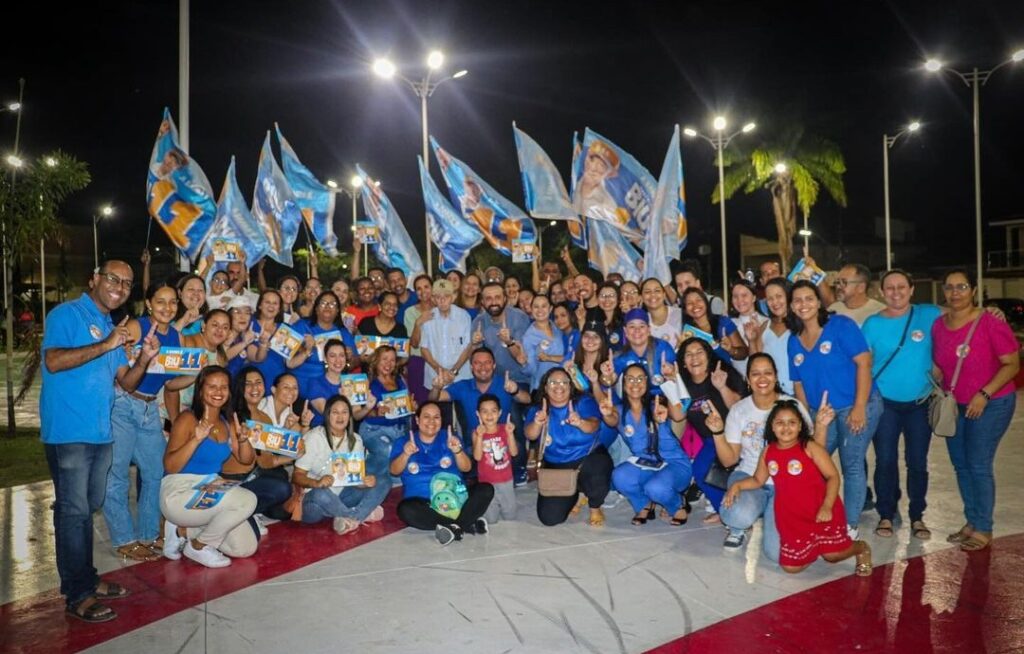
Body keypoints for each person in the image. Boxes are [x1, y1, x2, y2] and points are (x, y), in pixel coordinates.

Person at [41, 261, 159, 622]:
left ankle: (87, 580)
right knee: (74, 512)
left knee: (86, 507)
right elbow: (54, 360)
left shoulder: (113, 327)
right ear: (94, 278)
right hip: (68, 433)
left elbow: (126, 381)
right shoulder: (67, 314)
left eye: (126, 283)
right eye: (113, 278)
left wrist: (144, 358)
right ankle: (78, 594)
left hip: (100, 434)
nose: (120, 287)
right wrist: (105, 343)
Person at [725, 401, 872, 577]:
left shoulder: (809, 447)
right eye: (780, 422)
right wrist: (737, 485)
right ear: (771, 426)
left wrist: (827, 505)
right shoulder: (768, 452)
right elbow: (758, 480)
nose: (786, 427)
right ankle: (814, 546)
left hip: (821, 509)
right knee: (791, 567)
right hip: (792, 517)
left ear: (800, 425)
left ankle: (861, 548)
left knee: (832, 556)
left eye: (792, 422)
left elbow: (833, 476)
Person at [104, 282, 194, 563]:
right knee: (116, 475)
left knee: (155, 472)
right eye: (161, 301)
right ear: (149, 303)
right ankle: (123, 539)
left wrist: (195, 373)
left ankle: (147, 532)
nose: (167, 308)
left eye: (172, 302)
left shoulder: (177, 338)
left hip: (149, 407)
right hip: (122, 405)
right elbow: (115, 363)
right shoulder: (136, 327)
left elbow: (170, 382)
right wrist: (132, 353)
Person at [933, 268, 1019, 552]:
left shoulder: (990, 322)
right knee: (961, 465)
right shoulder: (938, 325)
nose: (955, 293)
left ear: (973, 290)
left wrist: (984, 394)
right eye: (949, 287)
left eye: (962, 286)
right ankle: (971, 521)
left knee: (979, 465)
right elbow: (939, 366)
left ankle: (983, 526)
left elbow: (1012, 364)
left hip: (990, 404)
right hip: (955, 406)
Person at [788, 279, 883, 537]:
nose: (803, 304)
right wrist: (809, 419)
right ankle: (815, 512)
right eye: (797, 300)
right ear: (791, 306)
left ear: (819, 302)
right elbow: (798, 384)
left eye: (809, 298)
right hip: (824, 413)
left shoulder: (840, 325)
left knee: (851, 462)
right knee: (814, 461)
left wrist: (860, 407)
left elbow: (864, 364)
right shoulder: (794, 340)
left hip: (858, 403)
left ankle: (849, 525)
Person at [861, 270, 942, 540]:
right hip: (885, 404)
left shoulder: (929, 314)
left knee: (917, 461)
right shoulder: (872, 324)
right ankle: (886, 513)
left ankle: (917, 516)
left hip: (920, 403)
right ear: (881, 292)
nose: (896, 292)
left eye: (901, 287)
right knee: (885, 460)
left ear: (911, 289)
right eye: (890, 288)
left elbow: (961, 317)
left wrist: (989, 312)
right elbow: (863, 363)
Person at [714, 353, 819, 555]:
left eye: (768, 373)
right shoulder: (739, 410)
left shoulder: (792, 406)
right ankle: (740, 526)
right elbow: (730, 459)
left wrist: (821, 426)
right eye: (755, 374)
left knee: (777, 552)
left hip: (786, 482)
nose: (762, 379)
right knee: (736, 514)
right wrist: (718, 432)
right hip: (749, 476)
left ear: (776, 376)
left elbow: (812, 451)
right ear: (747, 379)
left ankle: (771, 513)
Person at [160, 367, 260, 568]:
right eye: (212, 386)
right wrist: (195, 440)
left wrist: (243, 441)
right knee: (248, 499)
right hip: (178, 492)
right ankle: (199, 546)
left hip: (209, 489)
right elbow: (170, 466)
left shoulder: (227, 422)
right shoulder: (187, 419)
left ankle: (182, 531)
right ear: (200, 390)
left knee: (245, 547)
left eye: (224, 387)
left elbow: (246, 460)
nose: (218, 391)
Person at [391, 402, 494, 545]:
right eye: (426, 417)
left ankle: (454, 527)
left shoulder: (451, 437)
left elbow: (466, 468)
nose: (431, 422)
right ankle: (465, 523)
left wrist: (457, 451)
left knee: (486, 489)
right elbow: (394, 470)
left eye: (436, 417)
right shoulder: (403, 442)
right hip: (425, 503)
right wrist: (405, 454)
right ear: (417, 420)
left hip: (456, 498)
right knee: (405, 510)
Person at [602, 365, 691, 526]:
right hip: (645, 464)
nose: (635, 383)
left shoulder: (658, 403)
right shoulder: (619, 410)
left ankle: (678, 504)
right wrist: (607, 414)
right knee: (619, 477)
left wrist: (671, 381)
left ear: (647, 383)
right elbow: (612, 419)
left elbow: (679, 414)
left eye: (640, 378)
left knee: (655, 488)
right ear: (623, 383)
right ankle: (644, 504)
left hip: (675, 465)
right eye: (630, 378)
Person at [292, 395, 391, 534]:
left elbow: (354, 480)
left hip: (343, 496)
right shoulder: (314, 437)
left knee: (384, 481)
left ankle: (348, 518)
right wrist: (316, 483)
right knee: (321, 494)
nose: (340, 417)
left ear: (350, 416)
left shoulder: (355, 440)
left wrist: (364, 482)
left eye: (344, 412)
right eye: (335, 412)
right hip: (314, 502)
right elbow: (296, 476)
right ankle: (359, 515)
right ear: (327, 415)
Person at [525, 367, 611, 527]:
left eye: (564, 382)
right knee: (549, 518)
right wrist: (538, 423)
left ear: (570, 386)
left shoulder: (583, 402)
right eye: (553, 382)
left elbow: (594, 425)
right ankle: (576, 494)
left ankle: (595, 505)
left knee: (598, 467)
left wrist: (580, 422)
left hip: (586, 459)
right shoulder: (537, 409)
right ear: (545, 387)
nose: (559, 386)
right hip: (556, 465)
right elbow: (530, 435)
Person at [678, 337, 747, 523]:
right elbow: (677, 416)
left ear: (708, 356)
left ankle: (740, 514)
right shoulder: (682, 386)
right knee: (700, 472)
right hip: (711, 440)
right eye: (689, 354)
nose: (695, 358)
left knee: (735, 476)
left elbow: (741, 408)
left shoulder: (723, 374)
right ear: (683, 362)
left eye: (699, 352)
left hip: (737, 437)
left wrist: (722, 387)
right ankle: (725, 512)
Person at [223, 367, 294, 530]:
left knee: (283, 502)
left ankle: (254, 510)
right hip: (235, 479)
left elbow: (266, 461)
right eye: (248, 384)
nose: (255, 388)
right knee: (282, 488)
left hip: (255, 473)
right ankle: (244, 513)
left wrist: (293, 456)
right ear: (240, 388)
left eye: (258, 383)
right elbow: (254, 461)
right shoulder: (232, 415)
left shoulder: (264, 418)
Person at [288, 290, 358, 397]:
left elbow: (356, 362)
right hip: (300, 390)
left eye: (333, 304)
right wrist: (305, 350)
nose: (328, 306)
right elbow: (287, 362)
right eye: (323, 303)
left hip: (334, 392)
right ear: (316, 309)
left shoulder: (343, 333)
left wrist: (350, 358)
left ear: (338, 310)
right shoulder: (300, 326)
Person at [361, 345, 415, 480]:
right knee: (388, 450)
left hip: (399, 429)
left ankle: (386, 478)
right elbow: (359, 413)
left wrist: (413, 406)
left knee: (407, 453)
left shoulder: (400, 380)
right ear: (376, 361)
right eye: (384, 359)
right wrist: (375, 412)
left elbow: (408, 407)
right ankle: (366, 476)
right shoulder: (368, 382)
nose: (388, 364)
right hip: (373, 429)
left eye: (392, 360)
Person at [605, 309, 677, 397]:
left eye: (642, 326)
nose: (637, 330)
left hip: (664, 401)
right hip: (636, 404)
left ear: (649, 329)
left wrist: (671, 375)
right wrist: (606, 377)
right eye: (632, 326)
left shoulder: (663, 348)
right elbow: (609, 382)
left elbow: (676, 382)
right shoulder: (621, 356)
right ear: (625, 331)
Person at [306, 339, 376, 428]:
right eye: (332, 356)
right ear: (325, 359)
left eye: (341, 355)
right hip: (321, 432)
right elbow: (328, 414)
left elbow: (356, 415)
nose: (338, 360)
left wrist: (367, 408)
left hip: (345, 432)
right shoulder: (315, 383)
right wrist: (344, 400)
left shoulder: (352, 381)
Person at [472, 394, 519, 523]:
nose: (489, 415)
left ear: (500, 413)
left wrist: (510, 434)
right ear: (478, 414)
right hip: (487, 483)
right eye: (484, 411)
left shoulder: (505, 429)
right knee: (490, 519)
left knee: (510, 515)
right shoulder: (476, 432)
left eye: (493, 411)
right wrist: (480, 436)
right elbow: (477, 457)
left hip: (506, 480)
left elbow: (514, 453)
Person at [419, 279, 473, 390]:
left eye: (446, 296)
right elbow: (424, 349)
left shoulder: (463, 316)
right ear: (433, 299)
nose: (442, 300)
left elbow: (468, 347)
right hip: (436, 377)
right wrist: (440, 370)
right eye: (438, 297)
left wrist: (454, 371)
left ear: (453, 297)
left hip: (460, 376)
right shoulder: (428, 317)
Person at [747, 277, 795, 394]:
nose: (775, 302)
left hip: (800, 392)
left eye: (779, 296)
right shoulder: (764, 326)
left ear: (788, 296)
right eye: (770, 298)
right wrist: (752, 341)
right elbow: (756, 360)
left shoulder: (800, 323)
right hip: (772, 393)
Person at [681, 287, 748, 367]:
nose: (695, 305)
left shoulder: (723, 322)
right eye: (689, 303)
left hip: (725, 374)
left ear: (706, 302)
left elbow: (744, 353)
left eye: (698, 300)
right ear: (685, 310)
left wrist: (731, 349)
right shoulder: (687, 332)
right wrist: (680, 349)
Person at [521, 294, 565, 391]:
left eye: (544, 306)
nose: (540, 310)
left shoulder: (558, 326)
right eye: (536, 307)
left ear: (550, 309)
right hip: (542, 386)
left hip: (563, 383)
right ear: (531, 310)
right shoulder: (528, 337)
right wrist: (524, 363)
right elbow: (531, 371)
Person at [404, 274, 435, 404]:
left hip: (439, 361)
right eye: (419, 288)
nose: (423, 291)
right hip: (418, 362)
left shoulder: (442, 309)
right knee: (420, 403)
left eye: (426, 287)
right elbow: (414, 344)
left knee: (440, 402)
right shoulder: (410, 312)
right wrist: (418, 323)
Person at [730, 279, 768, 377]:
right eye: (735, 296)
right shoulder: (729, 324)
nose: (739, 300)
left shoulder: (766, 322)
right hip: (737, 382)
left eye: (744, 295)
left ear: (754, 298)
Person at [642, 278, 682, 350]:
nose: (653, 294)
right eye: (647, 292)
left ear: (664, 295)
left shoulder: (680, 314)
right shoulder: (642, 322)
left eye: (657, 291)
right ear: (641, 297)